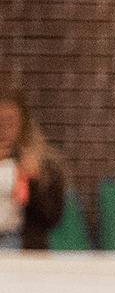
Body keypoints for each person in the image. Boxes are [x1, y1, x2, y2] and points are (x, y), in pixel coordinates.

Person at [0, 91, 68, 252]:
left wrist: (34, 181)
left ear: (23, 125)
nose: (3, 130)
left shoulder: (41, 162)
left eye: (10, 122)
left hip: (19, 244)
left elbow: (52, 218)